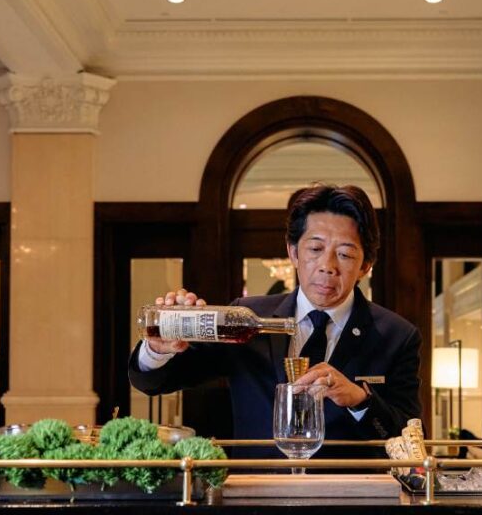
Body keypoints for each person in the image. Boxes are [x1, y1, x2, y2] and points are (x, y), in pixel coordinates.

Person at [128, 183, 422, 458]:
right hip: (257, 495)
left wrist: (360, 399)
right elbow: (156, 381)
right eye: (315, 249)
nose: (327, 266)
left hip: (351, 501)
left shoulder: (397, 336)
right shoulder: (244, 318)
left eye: (344, 254)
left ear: (365, 266)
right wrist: (157, 350)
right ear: (293, 252)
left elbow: (407, 437)